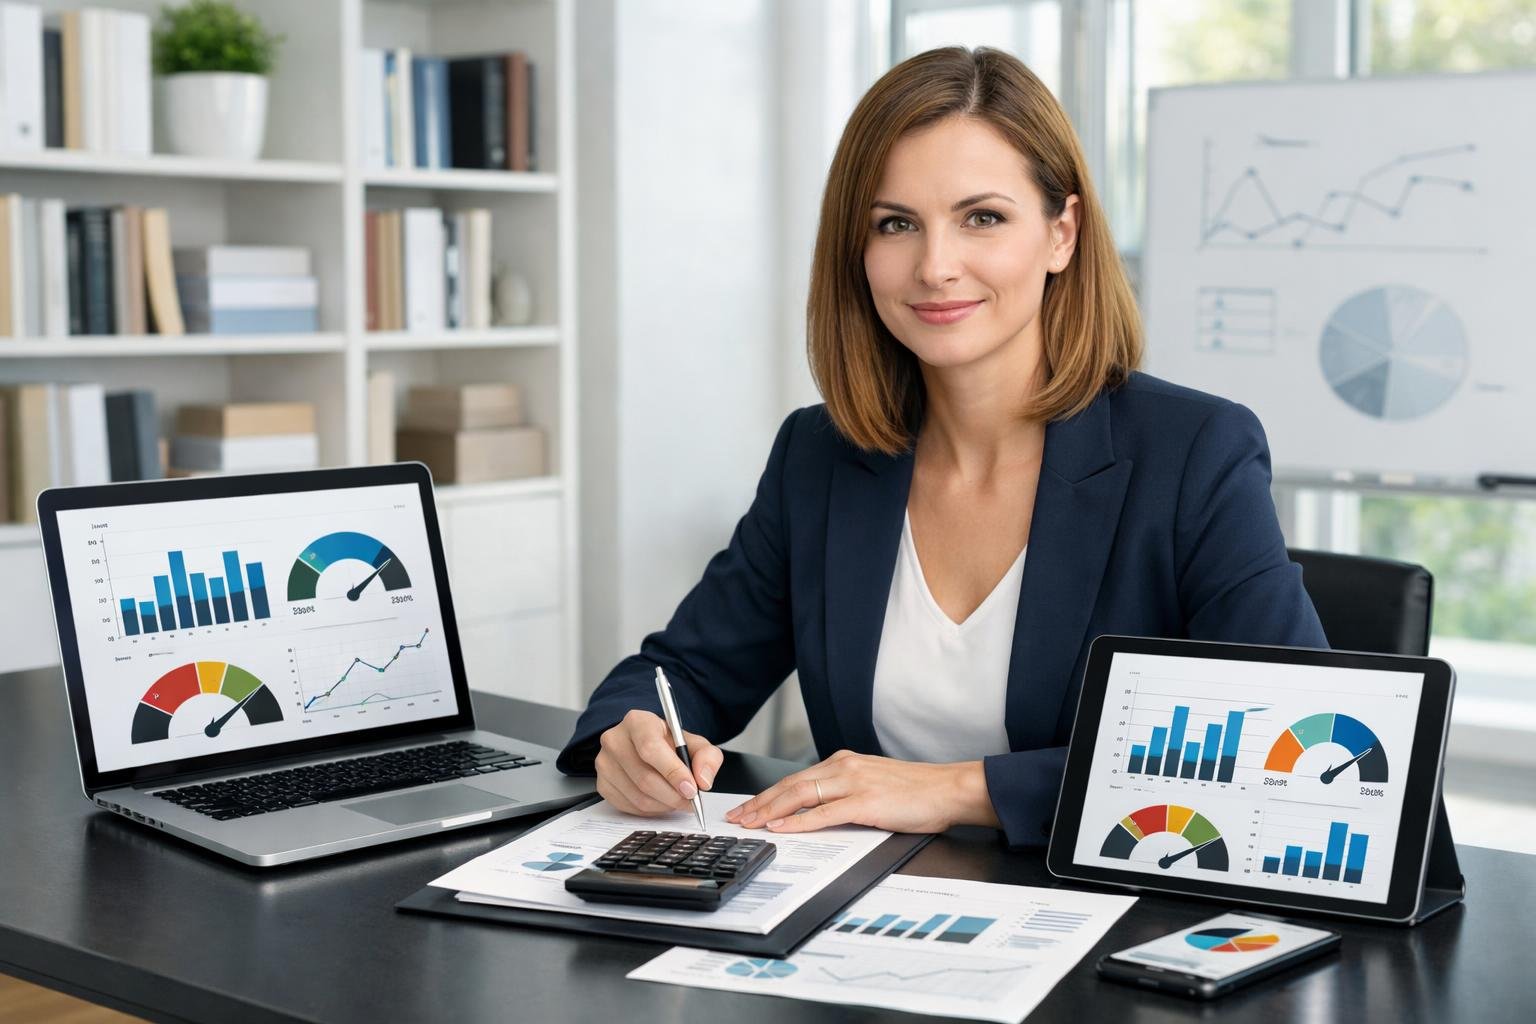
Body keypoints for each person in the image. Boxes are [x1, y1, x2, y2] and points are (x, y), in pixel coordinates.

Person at [555, 46, 1327, 847]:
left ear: (1061, 234)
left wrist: (957, 791)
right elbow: (685, 671)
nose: (934, 266)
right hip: (858, 923)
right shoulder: (819, 455)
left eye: (982, 218)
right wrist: (634, 736)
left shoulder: (1194, 453)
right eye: (896, 224)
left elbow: (1278, 755)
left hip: (1111, 923)